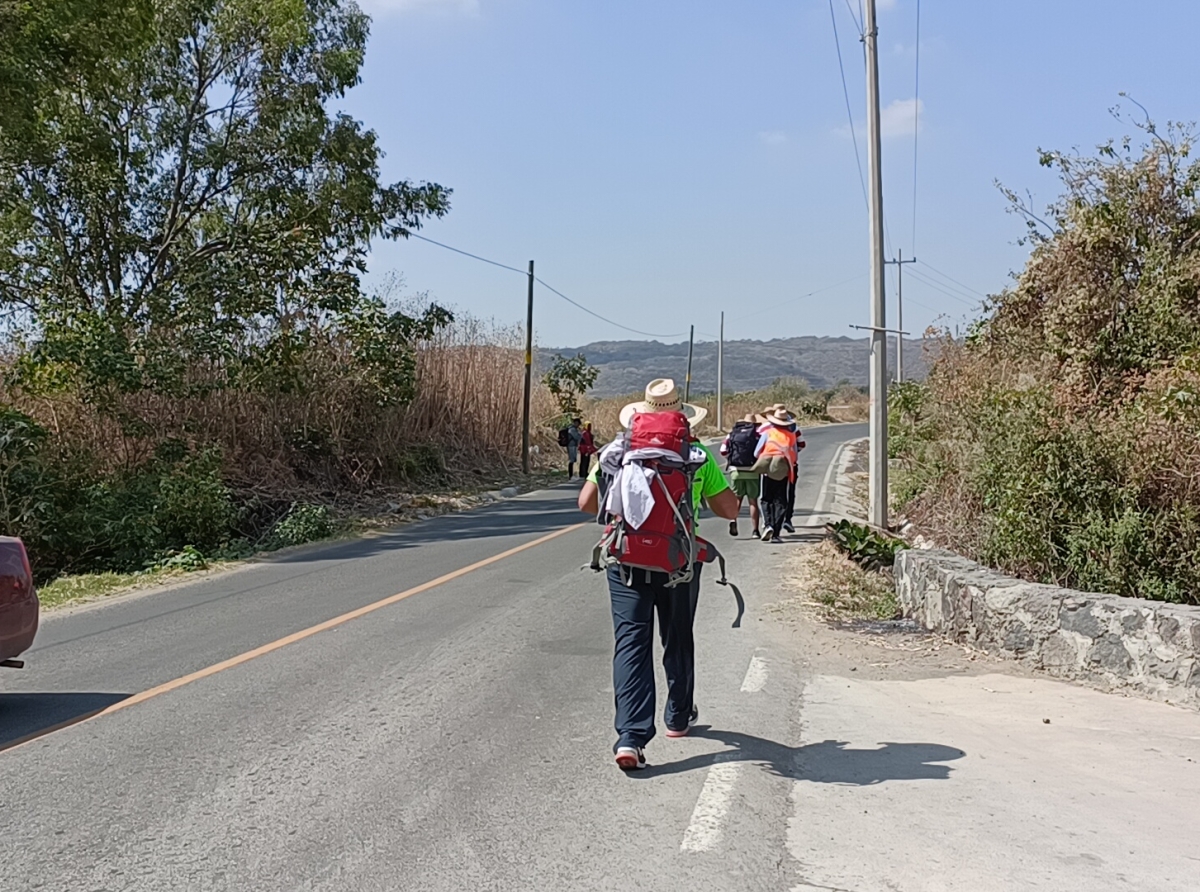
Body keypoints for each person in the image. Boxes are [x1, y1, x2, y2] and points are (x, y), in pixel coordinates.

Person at [578, 378, 738, 770]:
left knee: (632, 641)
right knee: (677, 635)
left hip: (626, 559)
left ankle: (630, 738)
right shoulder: (696, 453)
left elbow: (585, 504)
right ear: (680, 416)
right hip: (679, 561)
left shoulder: (619, 450)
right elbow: (731, 511)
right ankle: (678, 717)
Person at [754, 408, 798, 544]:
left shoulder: (768, 433)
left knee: (767, 499)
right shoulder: (791, 435)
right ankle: (776, 534)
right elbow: (795, 455)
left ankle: (768, 525)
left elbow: (756, 453)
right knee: (781, 501)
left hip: (768, 470)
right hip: (784, 470)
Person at [719, 414, 762, 539]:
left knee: (737, 499)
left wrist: (731, 459)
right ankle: (755, 531)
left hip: (736, 471)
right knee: (753, 502)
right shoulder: (757, 435)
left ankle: (733, 520)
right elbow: (760, 452)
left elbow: (723, 450)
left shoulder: (732, 434)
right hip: (753, 471)